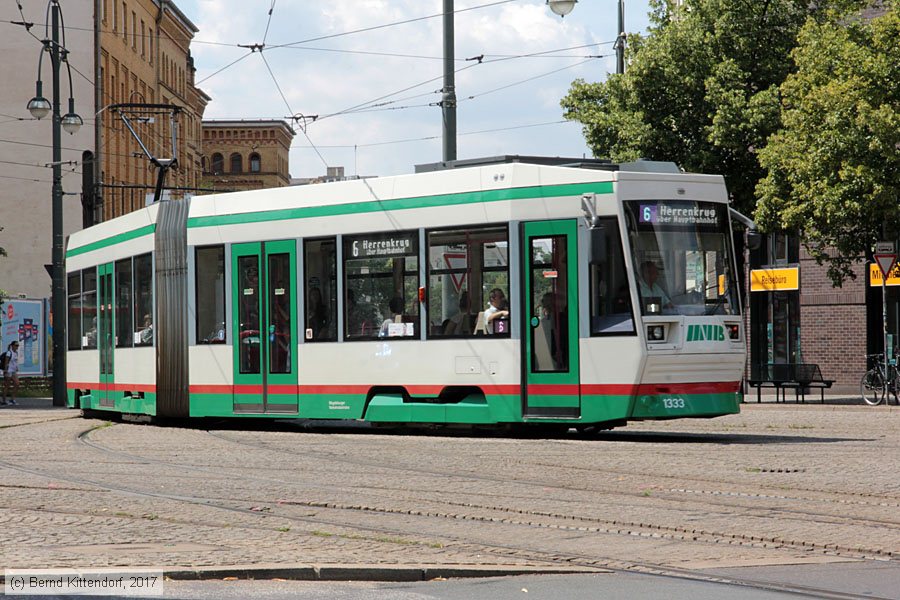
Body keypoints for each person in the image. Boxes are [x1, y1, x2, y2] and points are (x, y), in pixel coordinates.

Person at [2, 341, 20, 406]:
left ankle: (12, 399)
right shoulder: (9, 353)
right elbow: (6, 362)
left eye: (18, 345)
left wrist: (17, 367)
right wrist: (5, 371)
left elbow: (15, 361)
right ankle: (4, 401)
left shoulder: (16, 353)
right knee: (7, 385)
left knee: (17, 384)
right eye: (16, 345)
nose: (17, 347)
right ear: (12, 346)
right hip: (8, 371)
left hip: (13, 371)